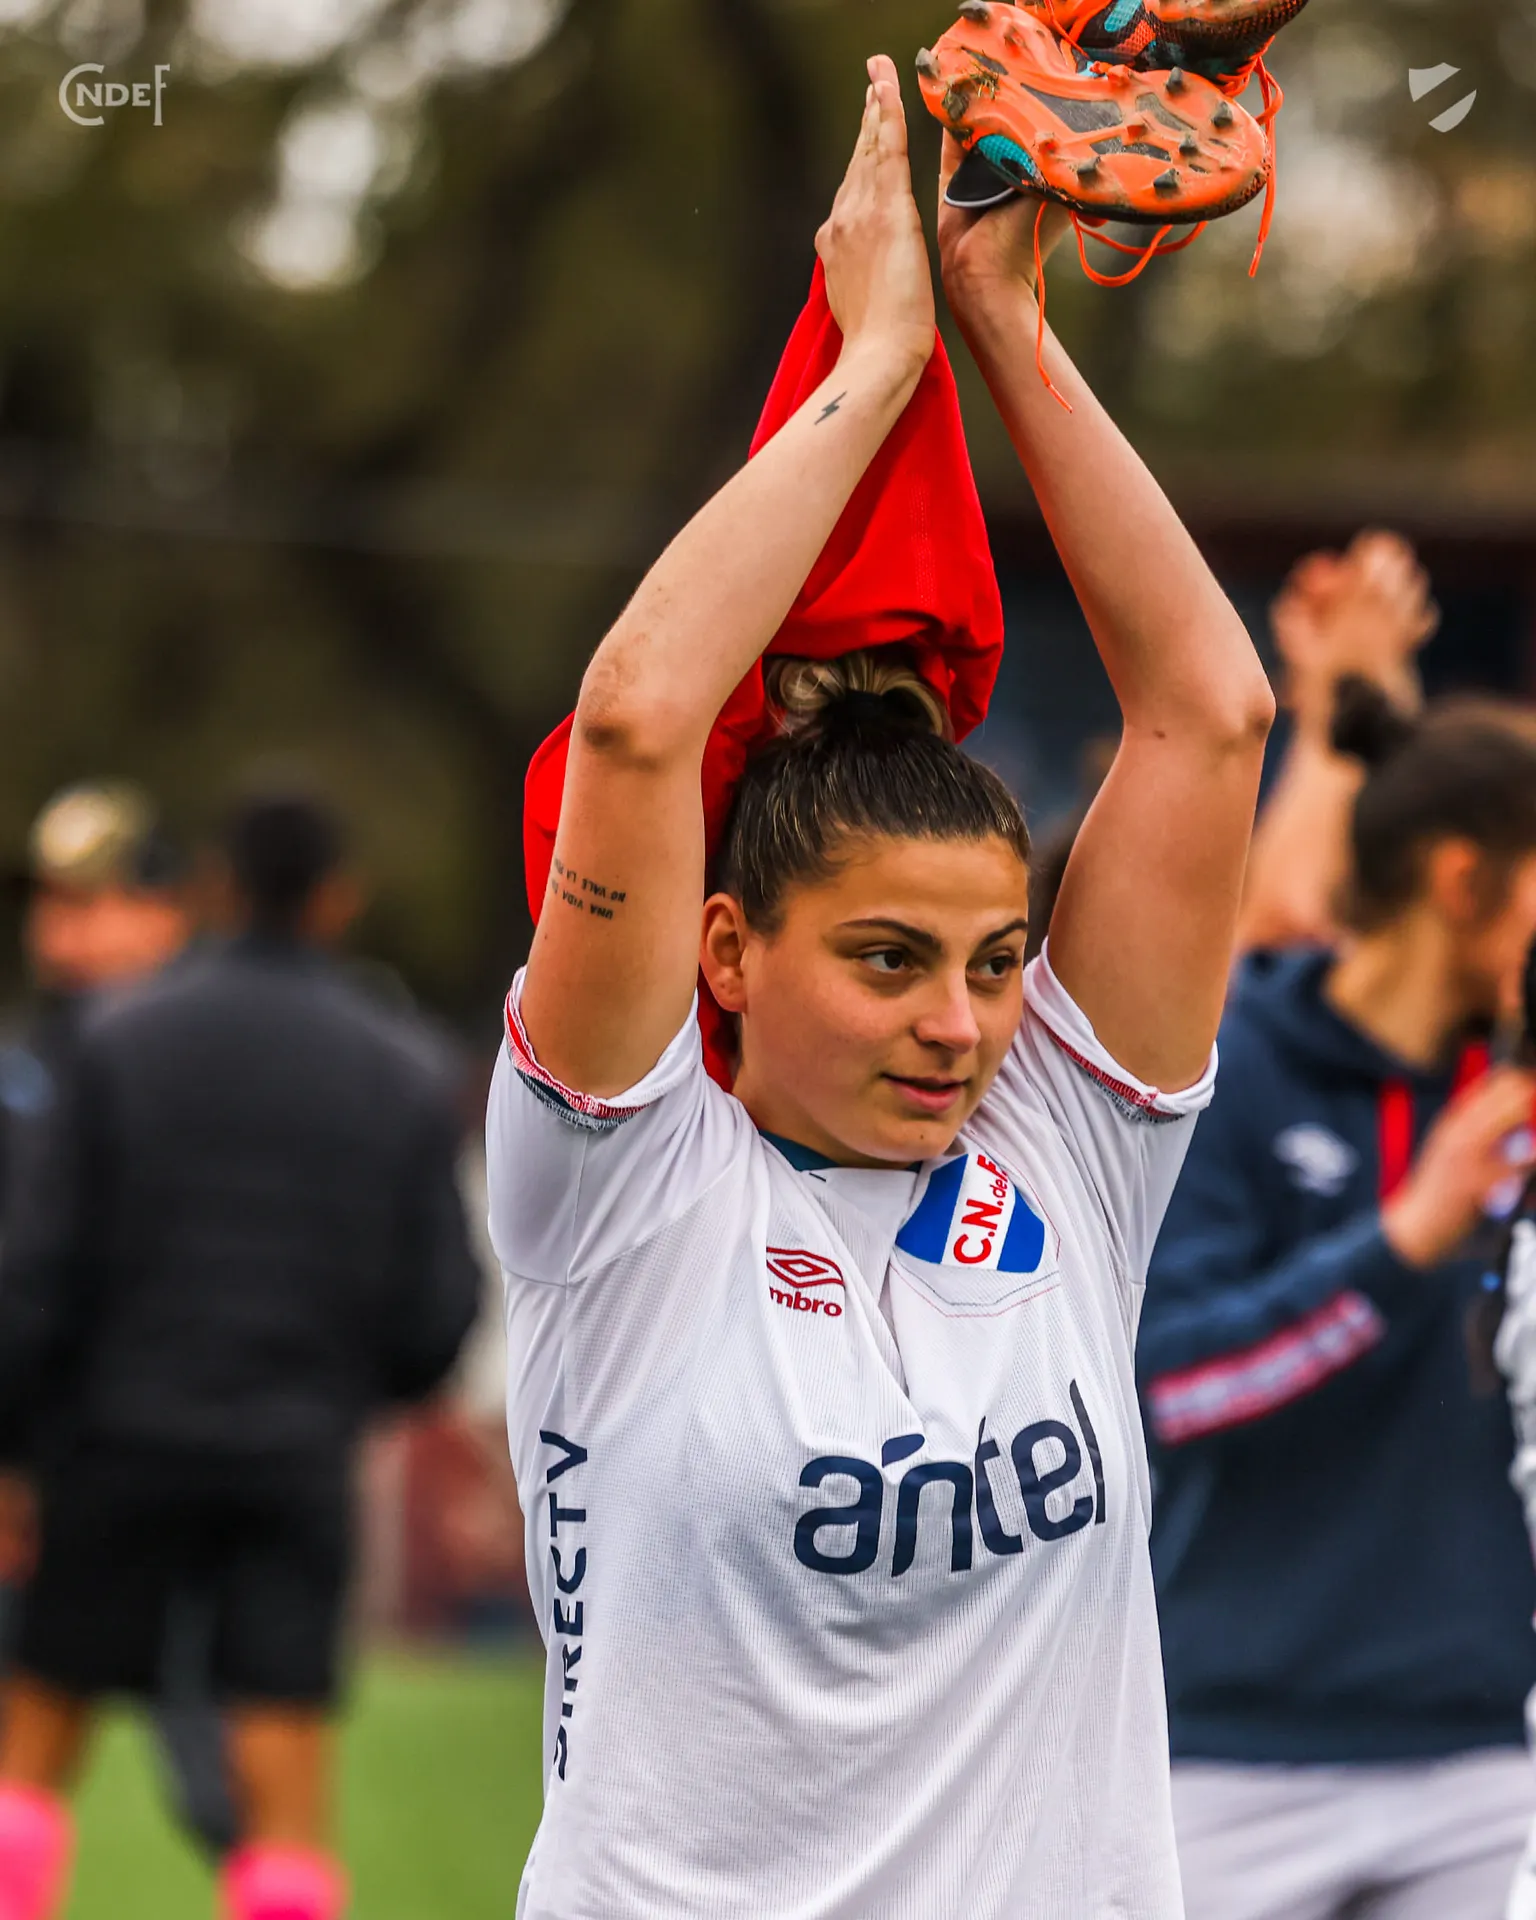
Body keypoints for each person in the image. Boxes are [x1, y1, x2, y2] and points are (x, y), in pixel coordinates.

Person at [487, 55, 1273, 1917]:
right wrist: (875, 369)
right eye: (888, 960)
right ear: (727, 950)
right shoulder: (620, 1190)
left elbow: (1211, 711)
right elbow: (637, 717)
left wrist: (1002, 315)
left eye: (997, 963)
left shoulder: (1064, 1156)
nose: (962, 1024)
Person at [0, 789, 482, 1920]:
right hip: (292, 1457)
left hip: (115, 1445)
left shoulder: (112, 1043)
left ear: (216, 889)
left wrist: (18, 1444)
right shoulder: (400, 1064)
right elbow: (438, 1309)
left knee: (36, 1744)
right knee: (280, 1778)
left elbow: (38, 1271)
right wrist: (345, 1395)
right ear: (338, 900)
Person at [1140, 677, 1536, 1919]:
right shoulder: (1224, 1074)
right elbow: (1172, 1392)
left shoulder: (1518, 1086)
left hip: (1491, 1755)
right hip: (1226, 1756)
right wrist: (1407, 1242)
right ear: (1463, 880)